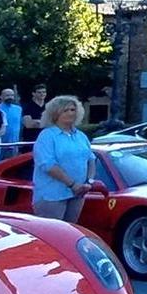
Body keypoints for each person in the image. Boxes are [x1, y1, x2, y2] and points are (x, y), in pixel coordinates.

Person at [32, 95, 94, 223]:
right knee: (53, 235)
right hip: (52, 195)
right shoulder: (47, 136)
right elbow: (48, 165)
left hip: (78, 194)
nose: (71, 113)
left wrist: (89, 182)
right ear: (55, 114)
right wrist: (72, 184)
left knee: (71, 231)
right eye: (65, 110)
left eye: (73, 110)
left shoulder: (80, 136)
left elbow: (91, 159)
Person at [0, 88, 23, 159]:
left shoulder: (18, 109)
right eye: (7, 95)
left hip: (14, 143)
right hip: (0, 143)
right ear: (1, 97)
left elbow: (20, 125)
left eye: (12, 95)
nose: (10, 97)